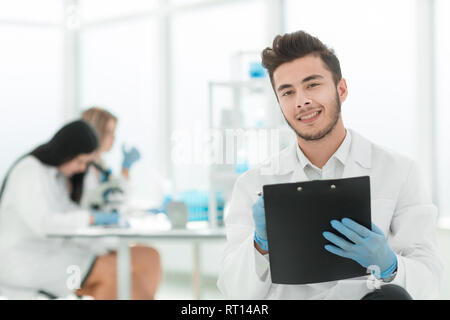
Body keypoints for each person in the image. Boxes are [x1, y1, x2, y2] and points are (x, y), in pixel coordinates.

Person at [217, 31, 442, 300]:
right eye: (287, 92)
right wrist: (260, 244)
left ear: (341, 89)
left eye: (312, 85)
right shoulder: (253, 184)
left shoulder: (399, 172)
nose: (301, 100)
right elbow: (233, 293)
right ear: (280, 104)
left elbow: (430, 282)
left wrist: (389, 265)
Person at [0, 120, 161, 299]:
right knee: (113, 273)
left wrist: (101, 227)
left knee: (147, 257)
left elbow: (68, 214)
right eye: (80, 161)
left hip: (54, 252)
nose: (82, 168)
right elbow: (45, 224)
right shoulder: (29, 171)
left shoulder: (56, 177)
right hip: (24, 262)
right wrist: (93, 218)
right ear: (65, 153)